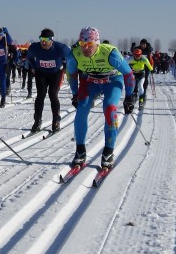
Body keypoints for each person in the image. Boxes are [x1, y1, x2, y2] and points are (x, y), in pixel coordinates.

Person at [66, 27, 135, 169]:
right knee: (82, 107)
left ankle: (108, 152)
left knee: (109, 108)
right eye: (82, 44)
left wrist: (129, 96)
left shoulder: (110, 53)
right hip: (90, 81)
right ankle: (80, 151)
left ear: (97, 43)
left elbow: (128, 74)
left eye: (89, 45)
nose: (85, 48)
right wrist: (74, 94)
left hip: (112, 80)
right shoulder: (74, 55)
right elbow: (71, 75)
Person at [25, 28, 69, 133]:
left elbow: (72, 56)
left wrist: (66, 66)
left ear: (52, 40)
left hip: (56, 73)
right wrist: (34, 67)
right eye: (41, 39)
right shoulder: (34, 47)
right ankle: (37, 121)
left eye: (46, 39)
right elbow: (29, 57)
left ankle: (56, 121)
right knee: (40, 95)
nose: (43, 42)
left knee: (53, 94)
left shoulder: (60, 48)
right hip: (41, 73)